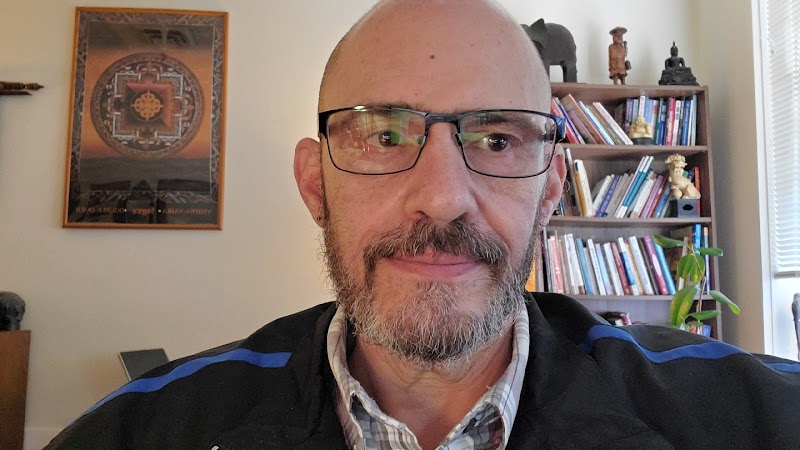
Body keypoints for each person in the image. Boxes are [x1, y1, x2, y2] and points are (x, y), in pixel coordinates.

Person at [47, 1, 800, 449]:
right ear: (314, 184)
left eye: (497, 140)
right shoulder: (135, 433)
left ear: (549, 193)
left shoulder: (759, 419)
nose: (442, 199)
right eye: (383, 135)